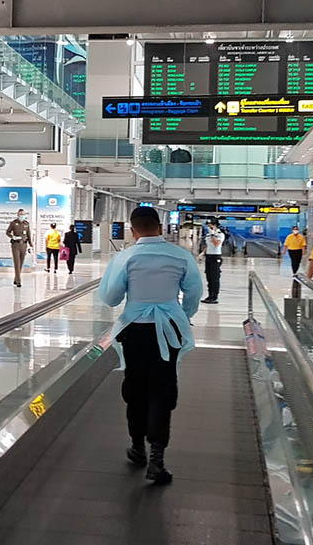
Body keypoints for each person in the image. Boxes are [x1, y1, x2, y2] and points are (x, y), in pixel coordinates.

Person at [98, 206, 202, 485]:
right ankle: (157, 457)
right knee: (163, 388)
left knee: (136, 387)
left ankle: (137, 447)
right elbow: (193, 294)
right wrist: (181, 316)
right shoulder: (182, 256)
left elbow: (110, 297)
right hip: (169, 329)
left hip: (134, 330)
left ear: (133, 231)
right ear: (159, 227)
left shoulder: (125, 257)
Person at [6, 208, 32, 287]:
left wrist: (31, 244)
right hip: (16, 245)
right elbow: (7, 232)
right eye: (20, 214)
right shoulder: (13, 223)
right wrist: (12, 236)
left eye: (23, 214)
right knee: (17, 263)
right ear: (18, 215)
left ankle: (16, 278)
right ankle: (19, 281)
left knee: (21, 263)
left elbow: (28, 235)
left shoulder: (26, 224)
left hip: (24, 245)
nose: (22, 216)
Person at [201, 218, 224, 304]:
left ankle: (214, 297)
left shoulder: (220, 234)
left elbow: (216, 244)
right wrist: (203, 253)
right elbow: (209, 246)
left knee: (215, 278)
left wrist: (212, 235)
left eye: (210, 226)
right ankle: (210, 295)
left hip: (215, 258)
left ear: (215, 225)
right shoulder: (209, 235)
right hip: (209, 257)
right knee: (209, 277)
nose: (208, 227)